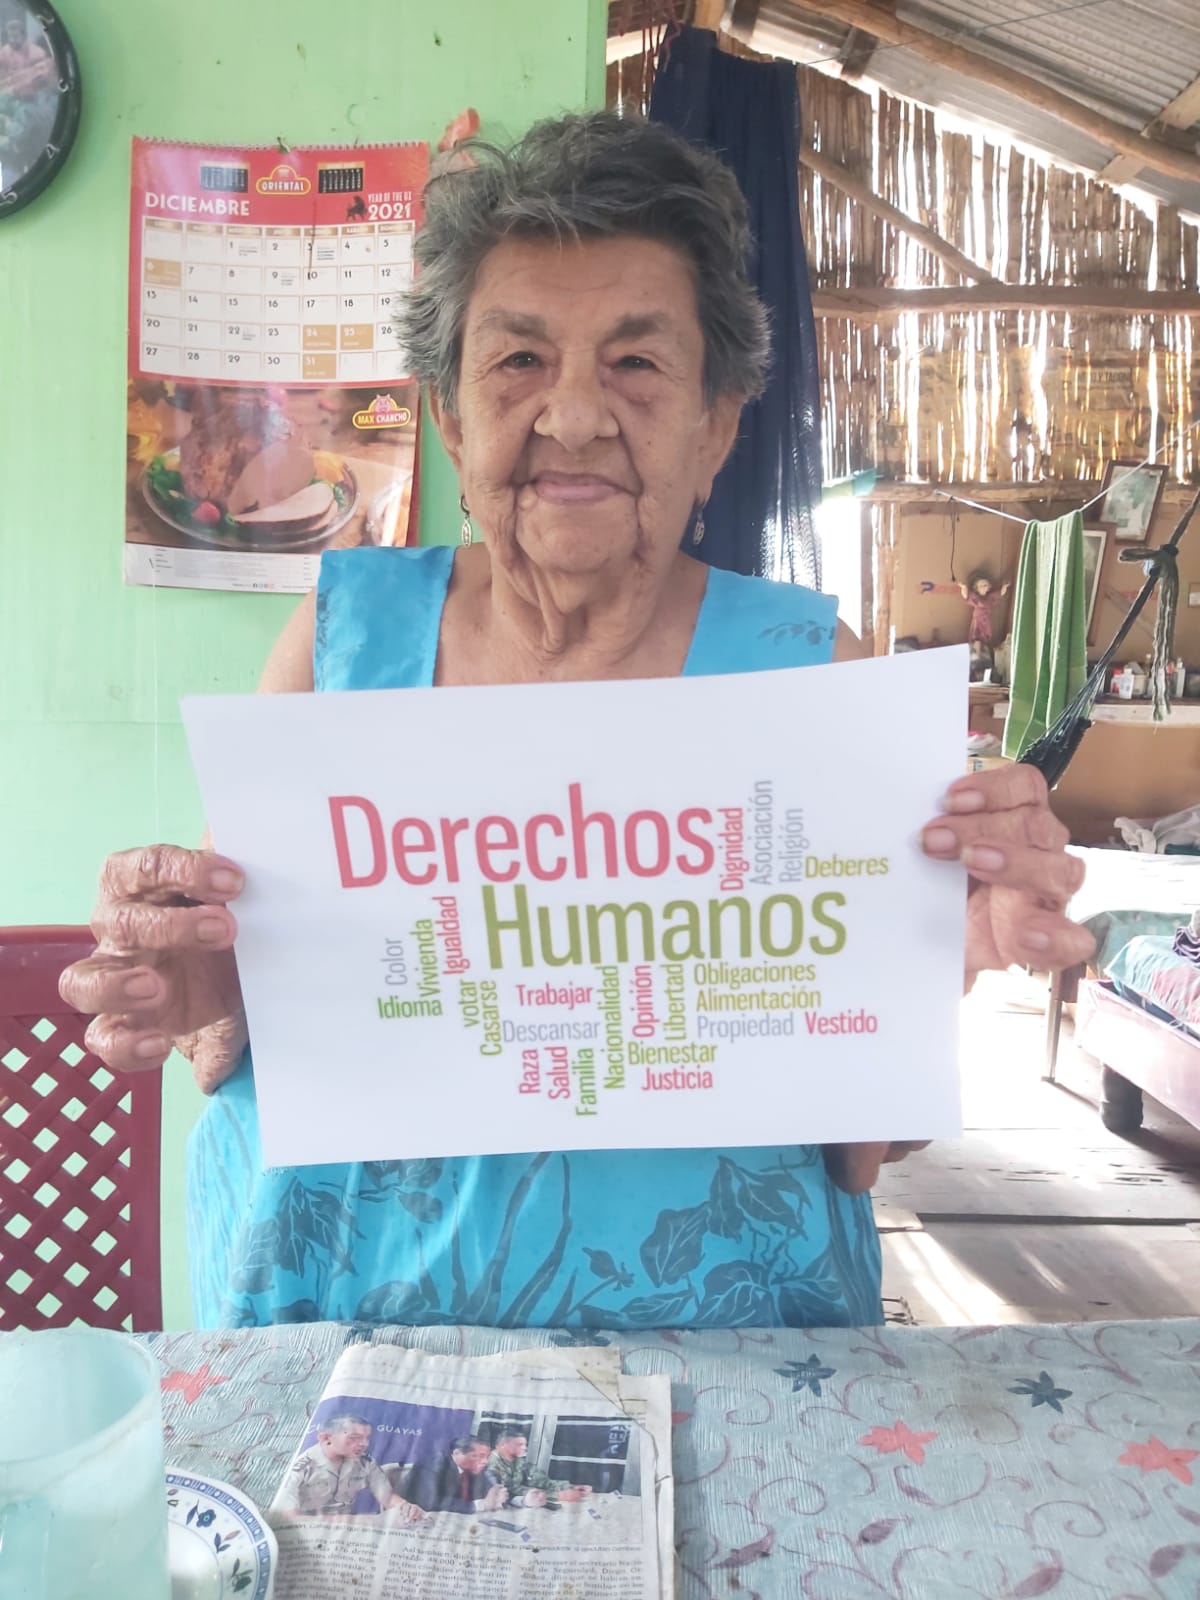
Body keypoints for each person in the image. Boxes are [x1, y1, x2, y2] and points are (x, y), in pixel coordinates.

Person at [60, 112, 1094, 1333]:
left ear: (716, 425)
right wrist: (195, 973)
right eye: (519, 360)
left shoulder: (812, 679)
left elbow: (867, 1150)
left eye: (637, 363)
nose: (576, 415)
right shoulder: (340, 640)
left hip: (722, 1363)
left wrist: (934, 964)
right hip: (340, 1342)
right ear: (451, 418)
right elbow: (235, 1003)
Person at [275, 1412, 424, 1519]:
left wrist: (406, 1506)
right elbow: (288, 1514)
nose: (364, 1444)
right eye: (355, 1438)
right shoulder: (304, 1466)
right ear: (326, 1438)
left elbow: (387, 1497)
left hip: (346, 1528)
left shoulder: (365, 1463)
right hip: (310, 1529)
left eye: (366, 1438)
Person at [488, 1429, 592, 1509]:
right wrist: (558, 1495)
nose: (524, 1448)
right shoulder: (493, 1463)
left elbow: (540, 1480)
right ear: (503, 1445)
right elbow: (511, 1489)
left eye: (525, 1444)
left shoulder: (517, 1460)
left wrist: (570, 1487)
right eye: (519, 1444)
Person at [403, 1437, 508, 1515]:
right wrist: (479, 1505)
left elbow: (488, 1491)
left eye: (487, 1457)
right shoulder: (435, 1463)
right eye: (478, 1456)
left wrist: (498, 1495)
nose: (485, 1461)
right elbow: (429, 1503)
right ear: (457, 1453)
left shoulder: (475, 1468)